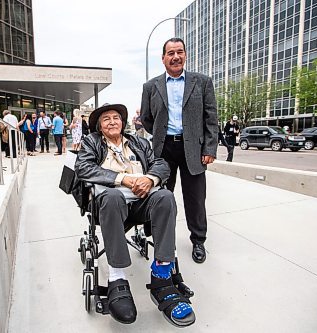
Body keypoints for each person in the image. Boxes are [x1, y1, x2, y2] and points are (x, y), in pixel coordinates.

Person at [75, 104, 195, 327]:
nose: (112, 122)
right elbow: (83, 168)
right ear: (99, 127)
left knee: (165, 197)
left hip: (142, 201)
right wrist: (124, 179)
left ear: (123, 122)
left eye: (116, 118)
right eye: (106, 119)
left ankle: (162, 278)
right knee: (112, 198)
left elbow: (160, 164)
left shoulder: (139, 142)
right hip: (111, 202)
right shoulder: (92, 142)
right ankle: (116, 277)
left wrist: (150, 179)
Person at [141, 37, 218, 264]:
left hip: (193, 148)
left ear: (185, 55)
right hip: (164, 149)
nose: (176, 57)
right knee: (162, 196)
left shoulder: (202, 82)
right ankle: (164, 240)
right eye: (171, 53)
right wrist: (160, 135)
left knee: (195, 198)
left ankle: (198, 241)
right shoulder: (150, 86)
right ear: (163, 58)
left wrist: (210, 147)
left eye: (180, 52)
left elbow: (211, 119)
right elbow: (146, 119)